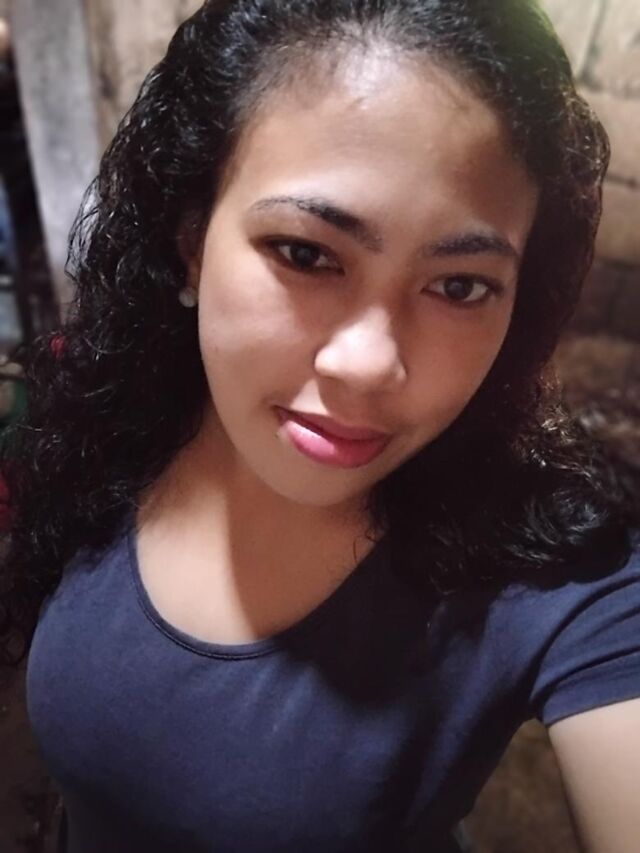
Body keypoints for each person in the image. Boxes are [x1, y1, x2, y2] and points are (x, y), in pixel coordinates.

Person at [1, 0, 639, 850]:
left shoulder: (558, 576)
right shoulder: (114, 416)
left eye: (459, 286)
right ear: (192, 239)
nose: (369, 364)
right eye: (306, 253)